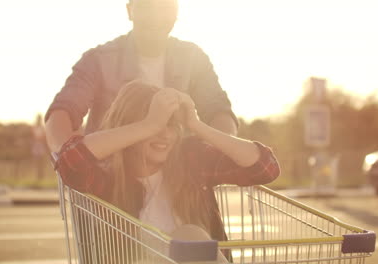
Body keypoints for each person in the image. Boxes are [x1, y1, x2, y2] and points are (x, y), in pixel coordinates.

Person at [55, 81, 280, 263]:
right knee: (189, 237)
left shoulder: (190, 161)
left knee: (190, 236)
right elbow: (68, 162)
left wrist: (197, 125)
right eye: (156, 125)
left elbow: (264, 168)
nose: (164, 134)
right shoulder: (108, 179)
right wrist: (149, 124)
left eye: (171, 125)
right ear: (130, 128)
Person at [45, 0, 238, 154]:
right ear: (130, 10)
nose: (156, 17)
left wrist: (217, 152)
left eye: (165, 6)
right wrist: (68, 156)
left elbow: (217, 110)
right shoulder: (98, 60)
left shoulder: (194, 58)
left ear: (177, 11)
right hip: (111, 183)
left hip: (179, 181)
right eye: (146, 6)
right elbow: (64, 110)